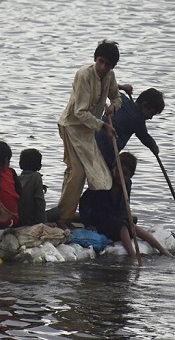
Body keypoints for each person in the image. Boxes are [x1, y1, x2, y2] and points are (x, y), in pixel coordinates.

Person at [55, 39, 123, 229]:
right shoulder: (84, 75)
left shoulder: (110, 76)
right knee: (77, 173)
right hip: (72, 126)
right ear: (96, 59)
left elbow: (116, 97)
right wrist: (103, 126)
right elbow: (80, 112)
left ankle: (74, 212)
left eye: (107, 64)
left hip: (88, 131)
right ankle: (62, 219)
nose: (102, 67)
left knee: (97, 176)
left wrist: (113, 107)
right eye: (100, 62)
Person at [79, 152, 174, 258]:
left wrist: (125, 219)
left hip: (115, 218)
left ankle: (162, 250)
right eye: (118, 171)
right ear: (113, 168)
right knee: (123, 226)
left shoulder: (127, 185)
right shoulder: (104, 182)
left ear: (130, 176)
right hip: (100, 220)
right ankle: (132, 255)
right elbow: (84, 202)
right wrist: (87, 223)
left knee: (132, 225)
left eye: (125, 174)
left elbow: (123, 207)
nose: (121, 176)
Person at [96, 88, 165, 169]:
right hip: (107, 151)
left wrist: (122, 87)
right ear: (144, 105)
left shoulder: (122, 99)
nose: (151, 118)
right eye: (151, 114)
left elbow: (107, 87)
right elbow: (145, 137)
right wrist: (154, 148)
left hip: (93, 137)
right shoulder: (138, 120)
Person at [16, 148, 48, 226]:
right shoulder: (36, 177)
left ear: (20, 164)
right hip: (31, 221)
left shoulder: (17, 179)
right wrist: (43, 223)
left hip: (18, 220)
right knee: (57, 212)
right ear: (40, 166)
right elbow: (40, 202)